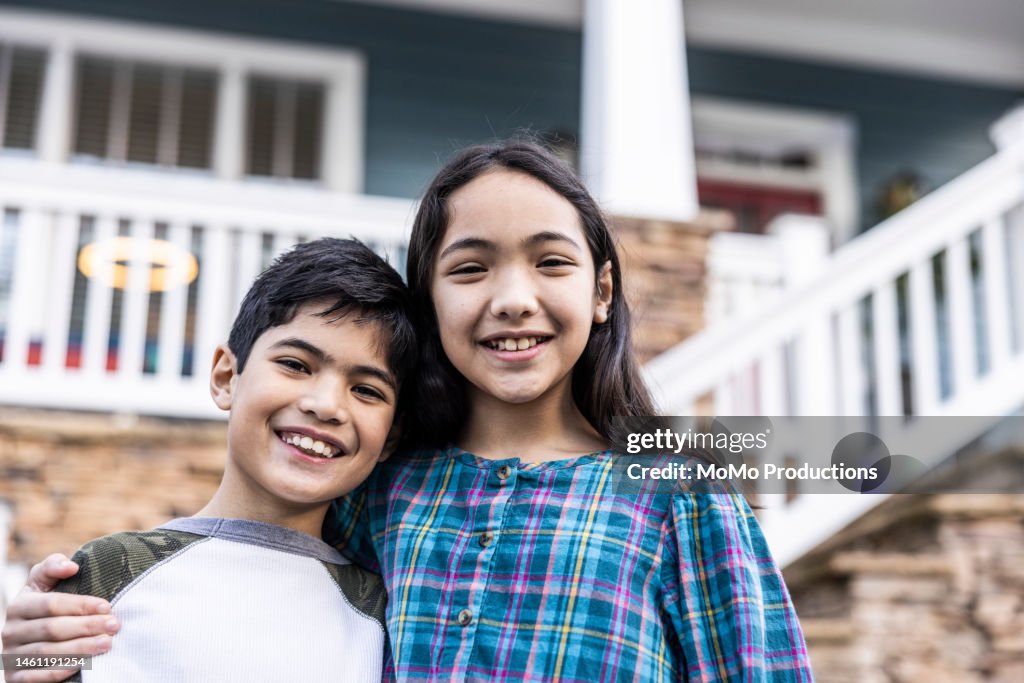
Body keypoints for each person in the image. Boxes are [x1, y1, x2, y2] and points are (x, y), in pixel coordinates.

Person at [4, 141, 812, 681]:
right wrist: (52, 628)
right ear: (429, 300)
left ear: (601, 291)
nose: (512, 298)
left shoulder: (678, 496)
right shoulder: (380, 491)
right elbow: (240, 597)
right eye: (470, 268)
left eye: (552, 262)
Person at [1, 238, 415, 682]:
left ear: (390, 437)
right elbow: (30, 667)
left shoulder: (387, 616)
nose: (326, 404)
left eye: (367, 390)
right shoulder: (110, 569)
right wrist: (19, 662)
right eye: (296, 365)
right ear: (225, 378)